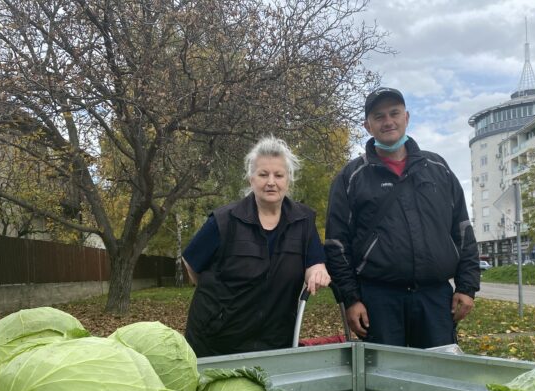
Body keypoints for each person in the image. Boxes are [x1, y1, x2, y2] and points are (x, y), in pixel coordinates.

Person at [324, 87, 480, 348]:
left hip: (435, 298)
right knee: (383, 381)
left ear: (406, 117)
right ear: (367, 125)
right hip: (378, 301)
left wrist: (467, 287)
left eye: (394, 113)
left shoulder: (438, 169)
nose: (388, 121)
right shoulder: (351, 177)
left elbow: (462, 230)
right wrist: (351, 299)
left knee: (435, 379)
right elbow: (336, 245)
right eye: (379, 116)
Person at [182, 136, 330, 357]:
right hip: (216, 343)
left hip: (275, 341)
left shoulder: (303, 221)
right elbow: (191, 263)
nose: (271, 182)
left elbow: (314, 262)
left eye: (278, 175)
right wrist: (218, 306)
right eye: (263, 174)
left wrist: (318, 270)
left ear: (288, 179)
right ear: (251, 178)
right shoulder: (224, 221)